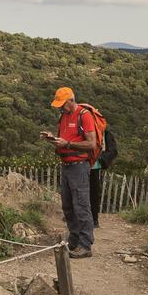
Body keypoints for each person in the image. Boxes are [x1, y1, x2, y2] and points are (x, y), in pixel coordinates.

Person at [41, 86, 97, 258]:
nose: (60, 107)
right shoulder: (63, 116)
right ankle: (74, 240)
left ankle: (85, 245)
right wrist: (53, 139)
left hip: (79, 166)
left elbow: (91, 144)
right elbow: (65, 141)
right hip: (66, 166)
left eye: (62, 104)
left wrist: (68, 144)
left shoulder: (84, 116)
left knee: (81, 206)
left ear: (71, 101)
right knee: (68, 206)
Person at [90, 128, 118, 228]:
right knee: (88, 191)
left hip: (94, 165)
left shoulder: (103, 131)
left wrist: (102, 160)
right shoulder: (102, 130)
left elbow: (113, 150)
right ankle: (91, 219)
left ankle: (93, 219)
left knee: (92, 192)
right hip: (90, 164)